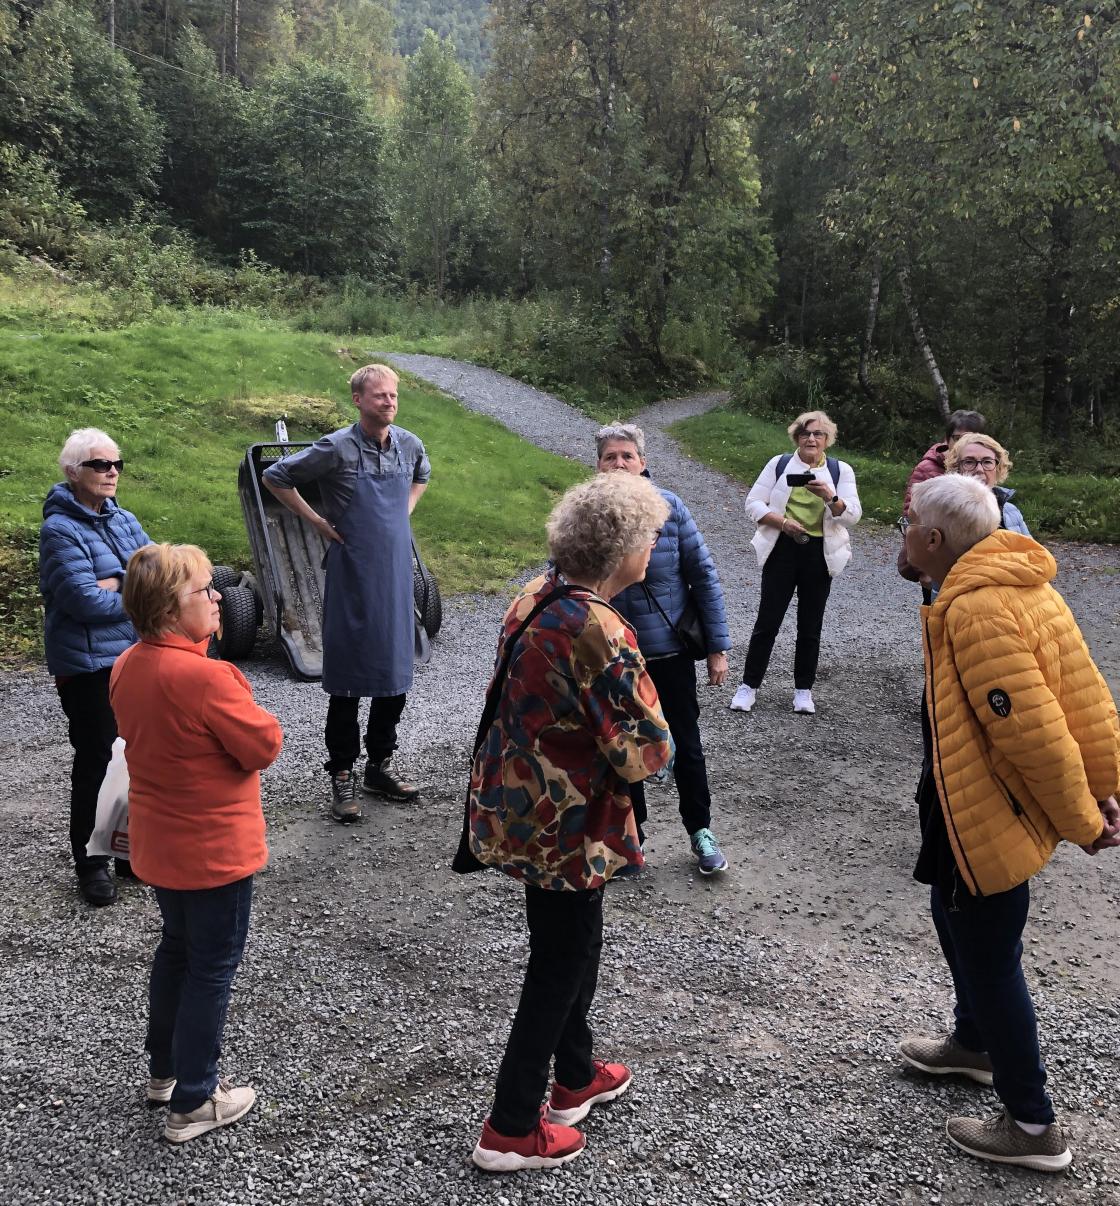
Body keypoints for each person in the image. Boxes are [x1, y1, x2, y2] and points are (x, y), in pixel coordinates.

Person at [895, 475, 1120, 1172]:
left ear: (934, 540)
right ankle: (973, 1044)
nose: (899, 531)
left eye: (905, 521)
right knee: (948, 909)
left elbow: (1038, 731)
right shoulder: (1009, 580)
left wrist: (1087, 816)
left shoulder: (976, 610)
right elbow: (1086, 691)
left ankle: (1032, 1126)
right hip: (955, 797)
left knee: (992, 957)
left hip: (984, 809)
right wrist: (1108, 782)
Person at [462, 472, 672, 1172]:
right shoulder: (598, 626)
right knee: (558, 962)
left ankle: (576, 1076)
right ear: (621, 549)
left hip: (523, 808)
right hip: (570, 826)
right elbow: (646, 752)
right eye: (650, 537)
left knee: (572, 945)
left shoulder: (536, 591)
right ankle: (511, 1127)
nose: (655, 547)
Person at [111, 543, 283, 1144]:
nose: (217, 598)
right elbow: (263, 745)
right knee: (211, 968)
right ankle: (194, 1099)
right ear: (167, 607)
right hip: (215, 851)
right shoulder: (207, 677)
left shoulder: (128, 663)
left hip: (161, 846)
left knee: (177, 953)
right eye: (204, 590)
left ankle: (165, 1074)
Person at [262, 363, 429, 823]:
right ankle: (341, 774)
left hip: (395, 577)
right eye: (380, 396)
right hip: (353, 577)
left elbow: (423, 474)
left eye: (393, 395)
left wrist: (403, 511)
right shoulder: (335, 447)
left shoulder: (409, 444)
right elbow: (276, 476)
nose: (389, 402)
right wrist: (316, 521)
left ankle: (379, 765)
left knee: (396, 674)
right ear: (358, 400)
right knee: (349, 680)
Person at [594, 422, 731, 875]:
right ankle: (633, 839)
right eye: (610, 457)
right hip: (613, 655)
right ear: (598, 464)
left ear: (643, 462)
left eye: (627, 456)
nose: (619, 464)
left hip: (668, 653)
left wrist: (717, 647)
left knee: (685, 745)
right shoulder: (590, 512)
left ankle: (701, 830)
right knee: (622, 749)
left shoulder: (669, 508)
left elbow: (704, 576)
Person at [39, 428, 151, 907]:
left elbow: (159, 573)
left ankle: (127, 852)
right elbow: (84, 600)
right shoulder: (59, 529)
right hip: (86, 666)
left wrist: (118, 581)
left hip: (132, 656)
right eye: (99, 465)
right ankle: (91, 863)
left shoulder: (124, 519)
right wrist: (136, 588)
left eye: (116, 465)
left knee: (139, 759)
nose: (110, 472)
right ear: (73, 473)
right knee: (99, 763)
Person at [730, 410, 861, 716]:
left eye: (817, 434)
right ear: (796, 437)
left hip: (819, 553)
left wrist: (830, 496)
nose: (811, 439)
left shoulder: (840, 471)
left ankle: (803, 691)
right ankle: (748, 686)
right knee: (767, 621)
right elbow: (753, 504)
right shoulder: (778, 465)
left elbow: (852, 516)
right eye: (805, 433)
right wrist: (783, 522)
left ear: (827, 438)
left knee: (810, 625)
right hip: (783, 548)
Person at [902, 408, 986, 515]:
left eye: (971, 438)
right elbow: (911, 515)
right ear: (947, 439)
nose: (964, 444)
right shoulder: (926, 469)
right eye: (957, 438)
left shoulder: (984, 468)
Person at [943, 431, 1030, 535]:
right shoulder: (945, 513)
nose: (979, 469)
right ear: (957, 469)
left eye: (987, 462)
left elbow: (1031, 550)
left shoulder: (1011, 511)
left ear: (998, 468)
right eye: (969, 462)